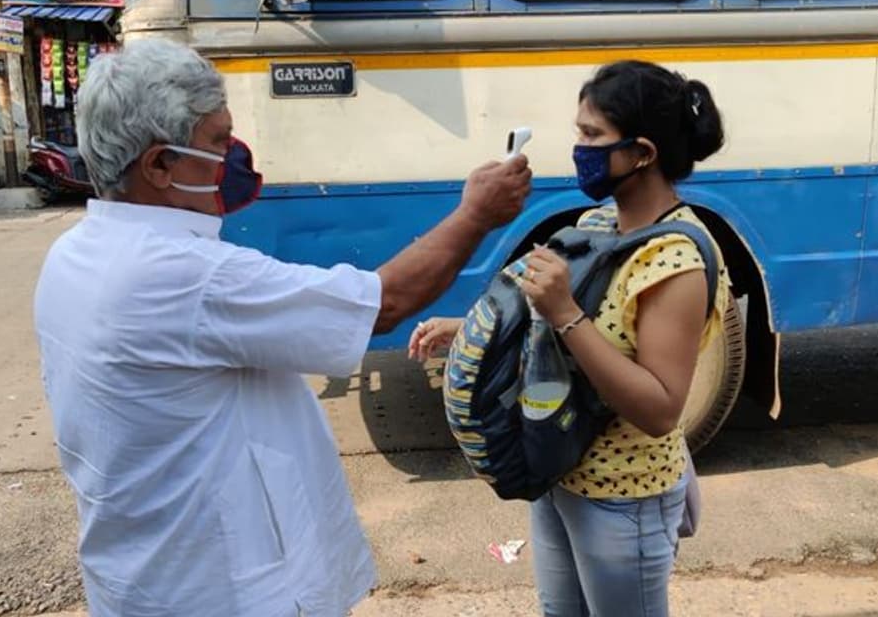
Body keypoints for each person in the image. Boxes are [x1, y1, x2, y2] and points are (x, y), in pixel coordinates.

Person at [33, 38, 531, 617]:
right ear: (159, 164)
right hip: (223, 588)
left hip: (141, 573)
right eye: (218, 142)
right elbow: (385, 303)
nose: (235, 156)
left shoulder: (73, 253)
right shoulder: (183, 275)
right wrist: (476, 215)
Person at [410, 60, 731, 617]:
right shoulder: (599, 226)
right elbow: (561, 328)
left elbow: (659, 408)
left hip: (624, 497)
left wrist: (564, 312)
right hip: (561, 473)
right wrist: (468, 331)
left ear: (642, 153)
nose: (576, 147)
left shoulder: (675, 260)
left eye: (590, 136)